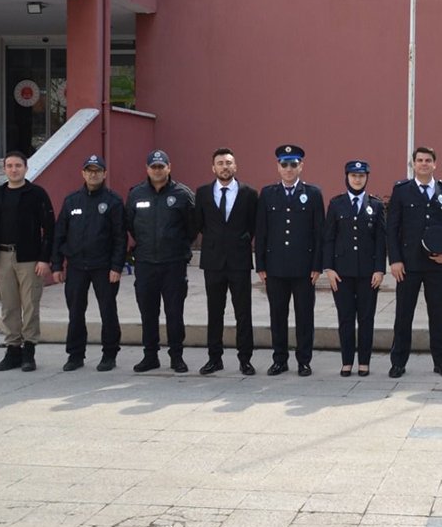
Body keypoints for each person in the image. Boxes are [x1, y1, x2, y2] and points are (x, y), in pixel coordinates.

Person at [387, 146, 442, 378]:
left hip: (436, 266)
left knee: (438, 315)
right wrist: (395, 260)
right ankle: (398, 362)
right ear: (413, 164)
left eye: (428, 160)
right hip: (408, 266)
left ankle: (441, 362)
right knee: (403, 315)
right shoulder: (402, 191)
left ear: (434, 164)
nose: (423, 164)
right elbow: (392, 228)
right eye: (419, 160)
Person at [0, 151, 54, 372]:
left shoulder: (37, 194)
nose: (14, 169)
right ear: (4, 169)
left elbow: (49, 227)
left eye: (18, 165)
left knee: (30, 305)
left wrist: (44, 258)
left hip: (30, 258)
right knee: (8, 306)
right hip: (2, 256)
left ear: (26, 168)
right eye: (9, 166)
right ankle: (13, 350)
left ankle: (29, 351)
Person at [255, 145, 324, 377]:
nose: (288, 169)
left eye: (293, 164)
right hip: (275, 268)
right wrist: (261, 265)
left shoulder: (313, 193)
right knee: (278, 315)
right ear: (278, 166)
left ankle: (304, 360)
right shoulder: (267, 193)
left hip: (304, 269)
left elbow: (318, 233)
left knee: (304, 316)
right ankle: (279, 359)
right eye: (284, 164)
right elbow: (261, 232)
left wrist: (317, 265)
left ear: (301, 166)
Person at [126, 149, 197, 374]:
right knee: (148, 313)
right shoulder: (136, 194)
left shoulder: (183, 194)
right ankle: (150, 356)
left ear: (169, 167)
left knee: (174, 313)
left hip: (173, 264)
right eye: (153, 166)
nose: (157, 170)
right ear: (147, 169)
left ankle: (176, 356)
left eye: (161, 166)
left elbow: (192, 227)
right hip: (146, 264)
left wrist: (177, 246)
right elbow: (130, 224)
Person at [52, 154, 125, 372]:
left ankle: (109, 355)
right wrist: (57, 265)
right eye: (89, 170)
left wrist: (116, 267)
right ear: (83, 173)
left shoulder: (113, 201)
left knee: (108, 311)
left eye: (97, 170)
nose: (93, 174)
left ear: (104, 174)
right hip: (76, 267)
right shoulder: (71, 201)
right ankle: (75, 355)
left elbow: (120, 237)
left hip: (104, 268)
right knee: (75, 312)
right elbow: (59, 235)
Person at [194, 147, 259, 376]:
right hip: (213, 262)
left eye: (229, 163)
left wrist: (239, 241)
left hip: (239, 261)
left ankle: (245, 359)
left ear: (235, 166)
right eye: (220, 163)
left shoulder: (249, 193)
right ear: (213, 168)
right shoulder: (202, 193)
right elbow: (200, 224)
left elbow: (253, 226)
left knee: (243, 312)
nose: (225, 166)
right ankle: (214, 358)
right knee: (214, 311)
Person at [323, 160, 387, 377]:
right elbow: (329, 238)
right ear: (347, 177)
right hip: (341, 273)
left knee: (366, 318)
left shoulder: (376, 205)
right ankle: (347, 361)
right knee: (346, 318)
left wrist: (380, 269)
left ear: (366, 177)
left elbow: (381, 240)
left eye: (361, 176)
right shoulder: (336, 204)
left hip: (369, 273)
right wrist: (329, 268)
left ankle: (364, 362)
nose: (357, 179)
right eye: (353, 176)